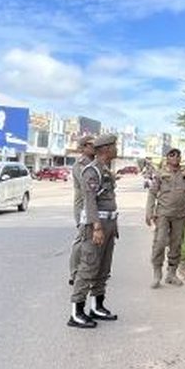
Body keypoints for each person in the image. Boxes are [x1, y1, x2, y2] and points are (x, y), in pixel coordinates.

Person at [69, 133, 120, 328]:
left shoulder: (105, 170)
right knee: (88, 267)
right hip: (95, 226)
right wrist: (97, 227)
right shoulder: (91, 171)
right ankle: (76, 312)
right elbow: (90, 201)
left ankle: (97, 306)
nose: (116, 149)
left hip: (108, 225)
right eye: (114, 146)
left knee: (103, 268)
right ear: (106, 149)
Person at [146, 147, 185, 288]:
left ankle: (171, 274)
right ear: (167, 158)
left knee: (176, 244)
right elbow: (152, 193)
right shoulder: (160, 174)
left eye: (178, 155)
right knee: (160, 242)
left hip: (180, 215)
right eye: (172, 155)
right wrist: (149, 212)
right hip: (163, 214)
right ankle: (157, 274)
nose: (175, 157)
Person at [68, 134, 97, 289]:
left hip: (92, 206)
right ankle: (74, 273)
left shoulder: (94, 163)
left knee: (91, 240)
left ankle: (88, 270)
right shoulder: (81, 165)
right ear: (84, 147)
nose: (95, 146)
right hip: (83, 208)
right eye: (91, 144)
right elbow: (88, 188)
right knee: (81, 240)